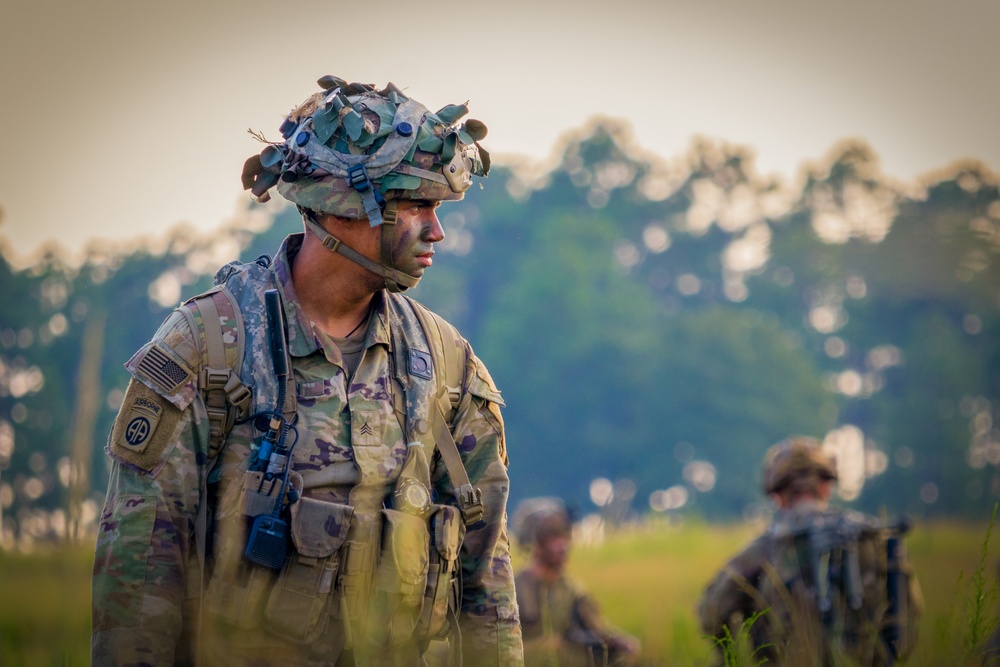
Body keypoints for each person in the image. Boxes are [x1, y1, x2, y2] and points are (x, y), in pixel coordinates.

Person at [92, 75, 523, 666]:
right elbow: (138, 581)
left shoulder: (445, 363)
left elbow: (488, 581)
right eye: (416, 204)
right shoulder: (209, 350)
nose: (436, 229)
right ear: (344, 207)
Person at [698, 436, 922, 666]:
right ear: (826, 486)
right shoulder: (872, 538)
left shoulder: (766, 547)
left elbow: (712, 612)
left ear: (778, 494)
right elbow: (910, 614)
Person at [512, 498, 641, 667]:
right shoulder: (516, 589)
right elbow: (498, 648)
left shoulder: (572, 590)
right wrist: (543, 647)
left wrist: (621, 643)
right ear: (535, 542)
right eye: (551, 537)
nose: (562, 545)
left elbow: (597, 630)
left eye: (563, 535)